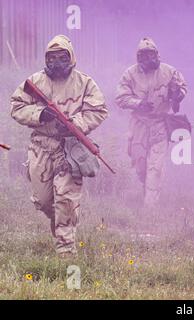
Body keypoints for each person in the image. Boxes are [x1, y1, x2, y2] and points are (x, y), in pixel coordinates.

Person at [10, 35, 108, 256]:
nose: (56, 63)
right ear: (46, 59)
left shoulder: (85, 83)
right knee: (44, 201)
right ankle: (64, 221)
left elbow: (99, 110)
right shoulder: (35, 82)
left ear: (71, 58)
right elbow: (16, 106)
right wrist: (39, 114)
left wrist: (76, 124)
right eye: (51, 58)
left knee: (65, 198)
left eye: (62, 58)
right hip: (41, 147)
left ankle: (66, 253)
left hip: (70, 149)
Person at [115, 37, 187, 213]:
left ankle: (150, 209)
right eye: (145, 56)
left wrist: (178, 95)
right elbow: (120, 98)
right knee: (140, 166)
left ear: (157, 54)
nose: (150, 59)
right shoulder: (130, 74)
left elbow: (182, 87)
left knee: (155, 167)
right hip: (139, 124)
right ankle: (147, 188)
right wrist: (138, 103)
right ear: (139, 58)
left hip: (160, 124)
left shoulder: (169, 72)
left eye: (152, 55)